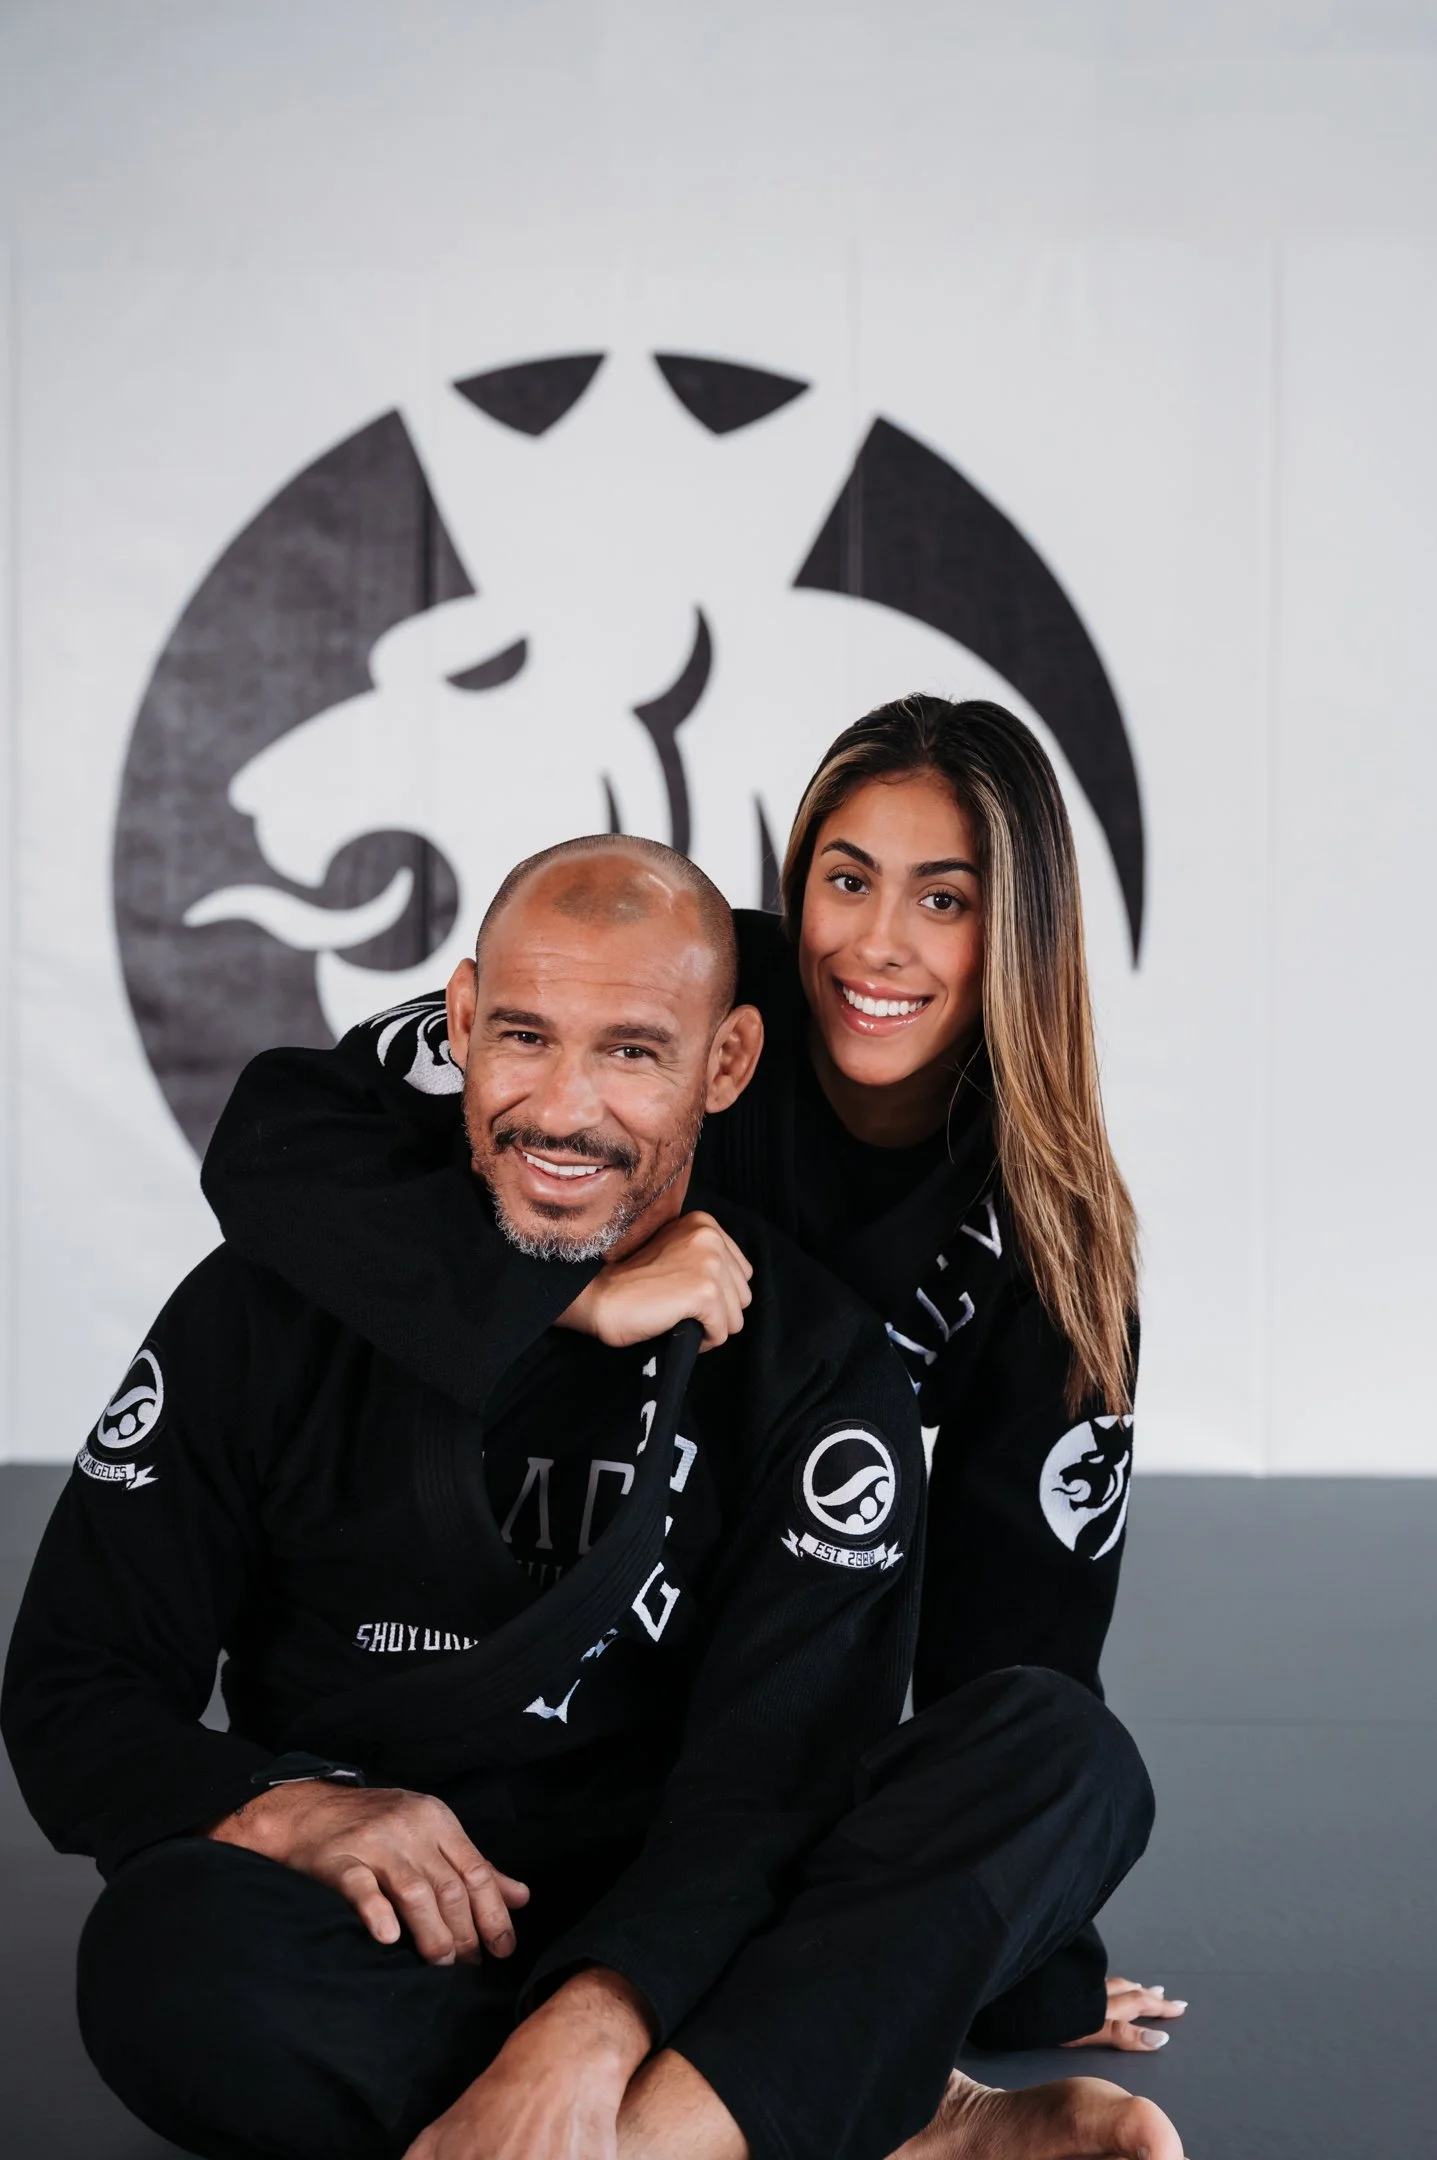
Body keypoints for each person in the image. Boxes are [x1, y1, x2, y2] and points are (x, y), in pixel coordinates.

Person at [1, 836, 1181, 2160]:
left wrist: (598, 2015)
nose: (563, 1109)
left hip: (695, 1924)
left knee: (1063, 1761)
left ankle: (622, 2130)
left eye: (631, 1052)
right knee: (160, 1958)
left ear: (726, 1064)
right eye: (523, 1037)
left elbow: (765, 1797)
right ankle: (831, 2110)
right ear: (457, 1025)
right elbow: (72, 1692)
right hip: (409, 1934)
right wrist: (296, 1808)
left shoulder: (810, 1367)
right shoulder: (276, 1303)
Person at [204, 696, 1172, 2056]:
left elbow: (1017, 1645)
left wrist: (1016, 1945)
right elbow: (275, 1141)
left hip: (760, 1715)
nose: (877, 945)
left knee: (1050, 1776)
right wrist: (566, 1288)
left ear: (1022, 930)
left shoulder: (1053, 1234)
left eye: (943, 900)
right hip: (506, 1649)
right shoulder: (682, 998)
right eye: (847, 880)